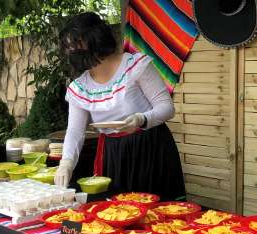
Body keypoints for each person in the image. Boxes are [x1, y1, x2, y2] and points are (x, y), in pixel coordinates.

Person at [54, 12, 185, 201]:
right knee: (118, 211)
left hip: (150, 147)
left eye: (76, 44)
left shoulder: (136, 66)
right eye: (68, 47)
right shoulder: (79, 87)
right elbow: (75, 131)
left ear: (95, 39)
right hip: (113, 154)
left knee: (158, 215)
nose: (71, 51)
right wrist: (66, 163)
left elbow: (166, 107)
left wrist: (141, 119)